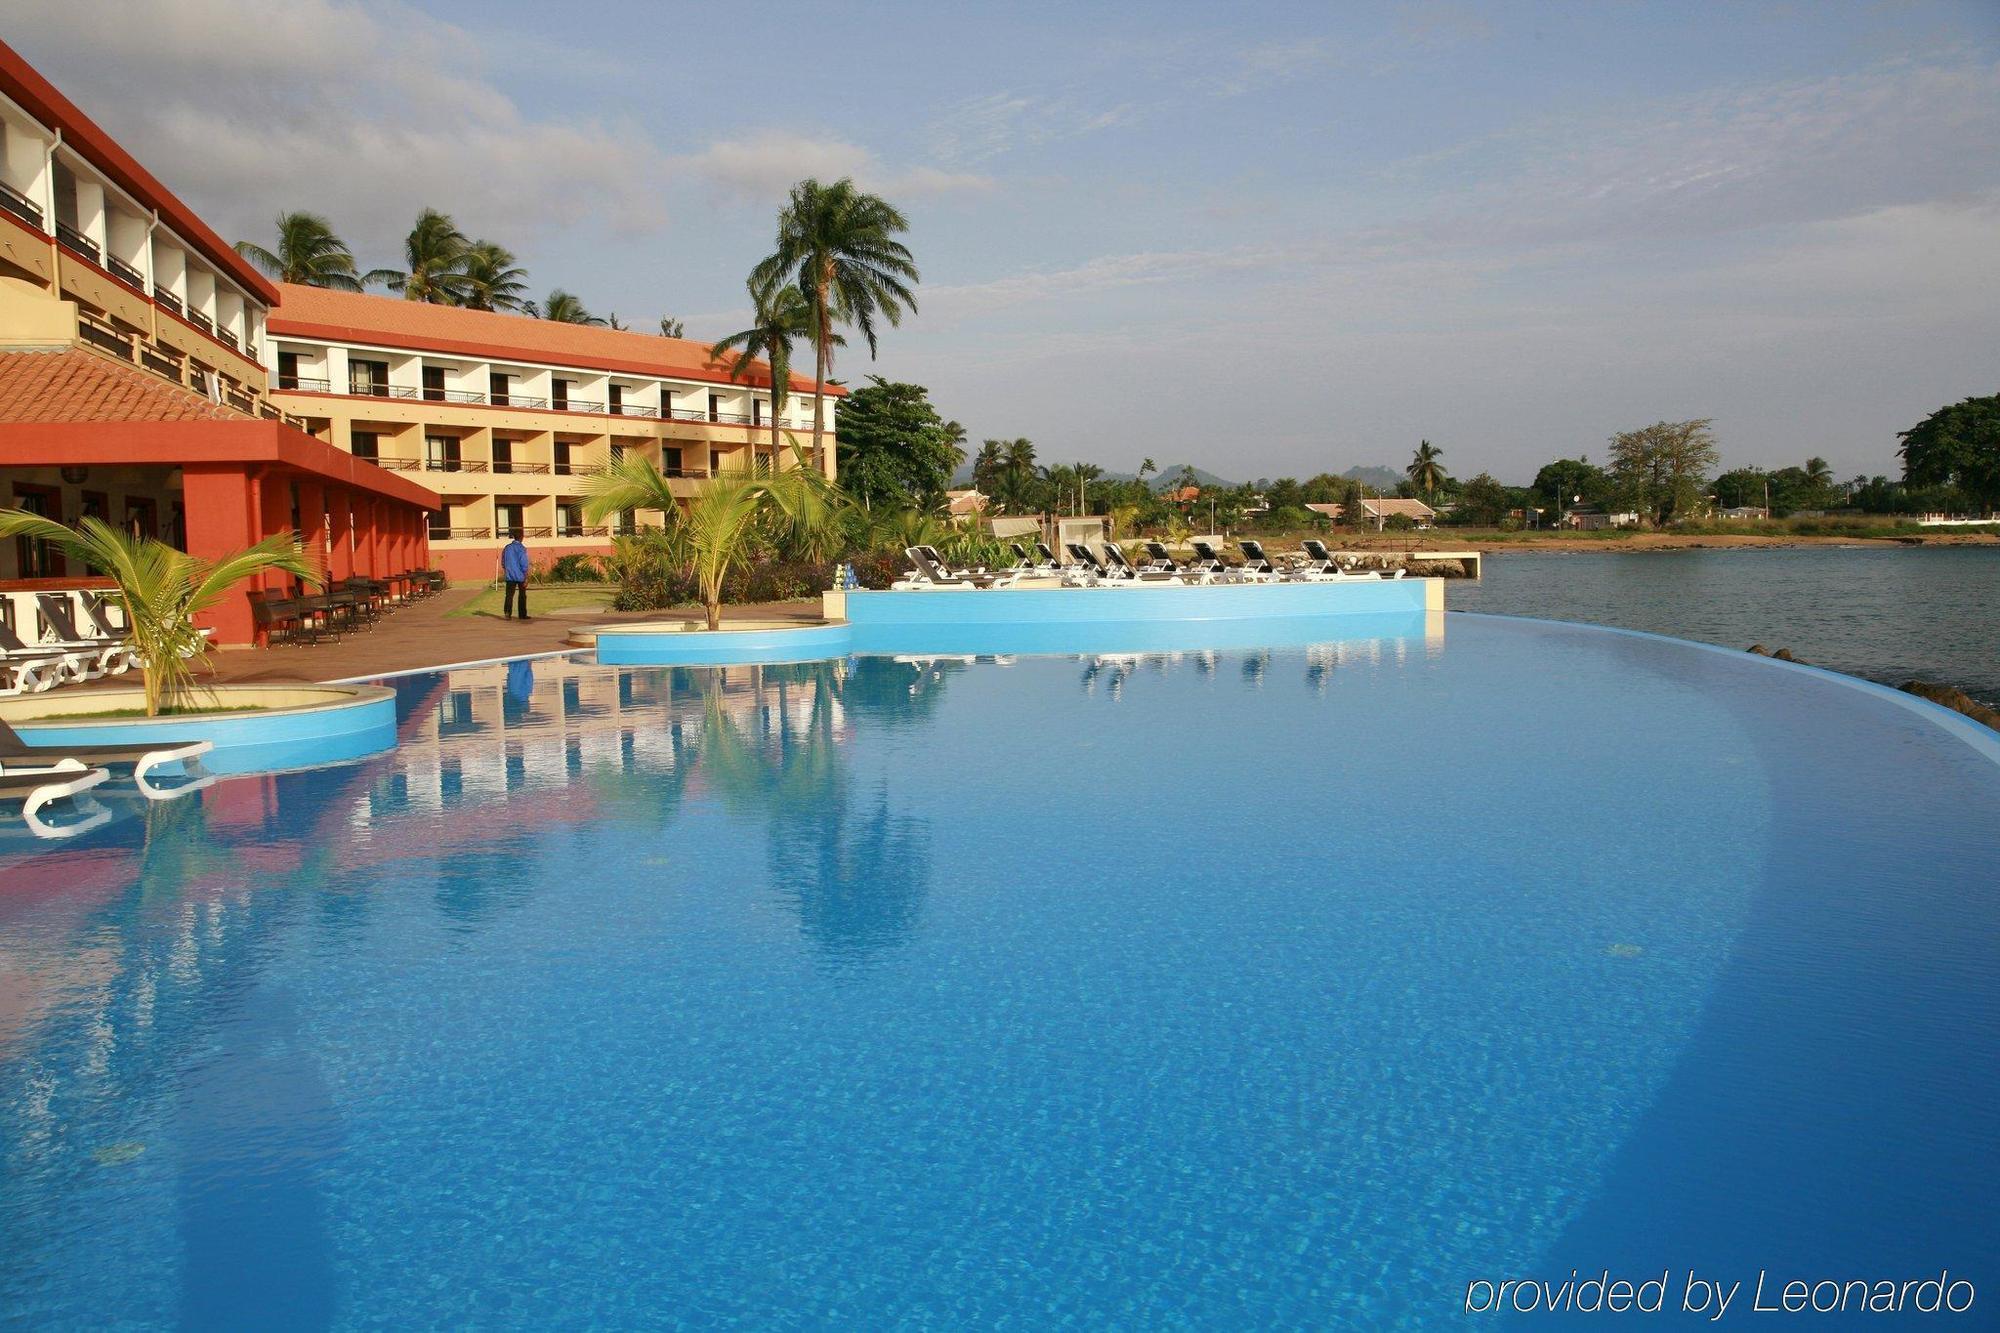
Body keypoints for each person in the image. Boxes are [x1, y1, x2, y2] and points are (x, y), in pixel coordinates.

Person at [499, 533, 531, 620]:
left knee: (509, 595)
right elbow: (524, 563)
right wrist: (526, 575)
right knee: (522, 595)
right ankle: (522, 614)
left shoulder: (507, 548)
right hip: (520, 575)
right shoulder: (521, 548)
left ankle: (507, 613)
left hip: (510, 575)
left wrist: (506, 569)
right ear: (521, 538)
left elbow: (503, 561)